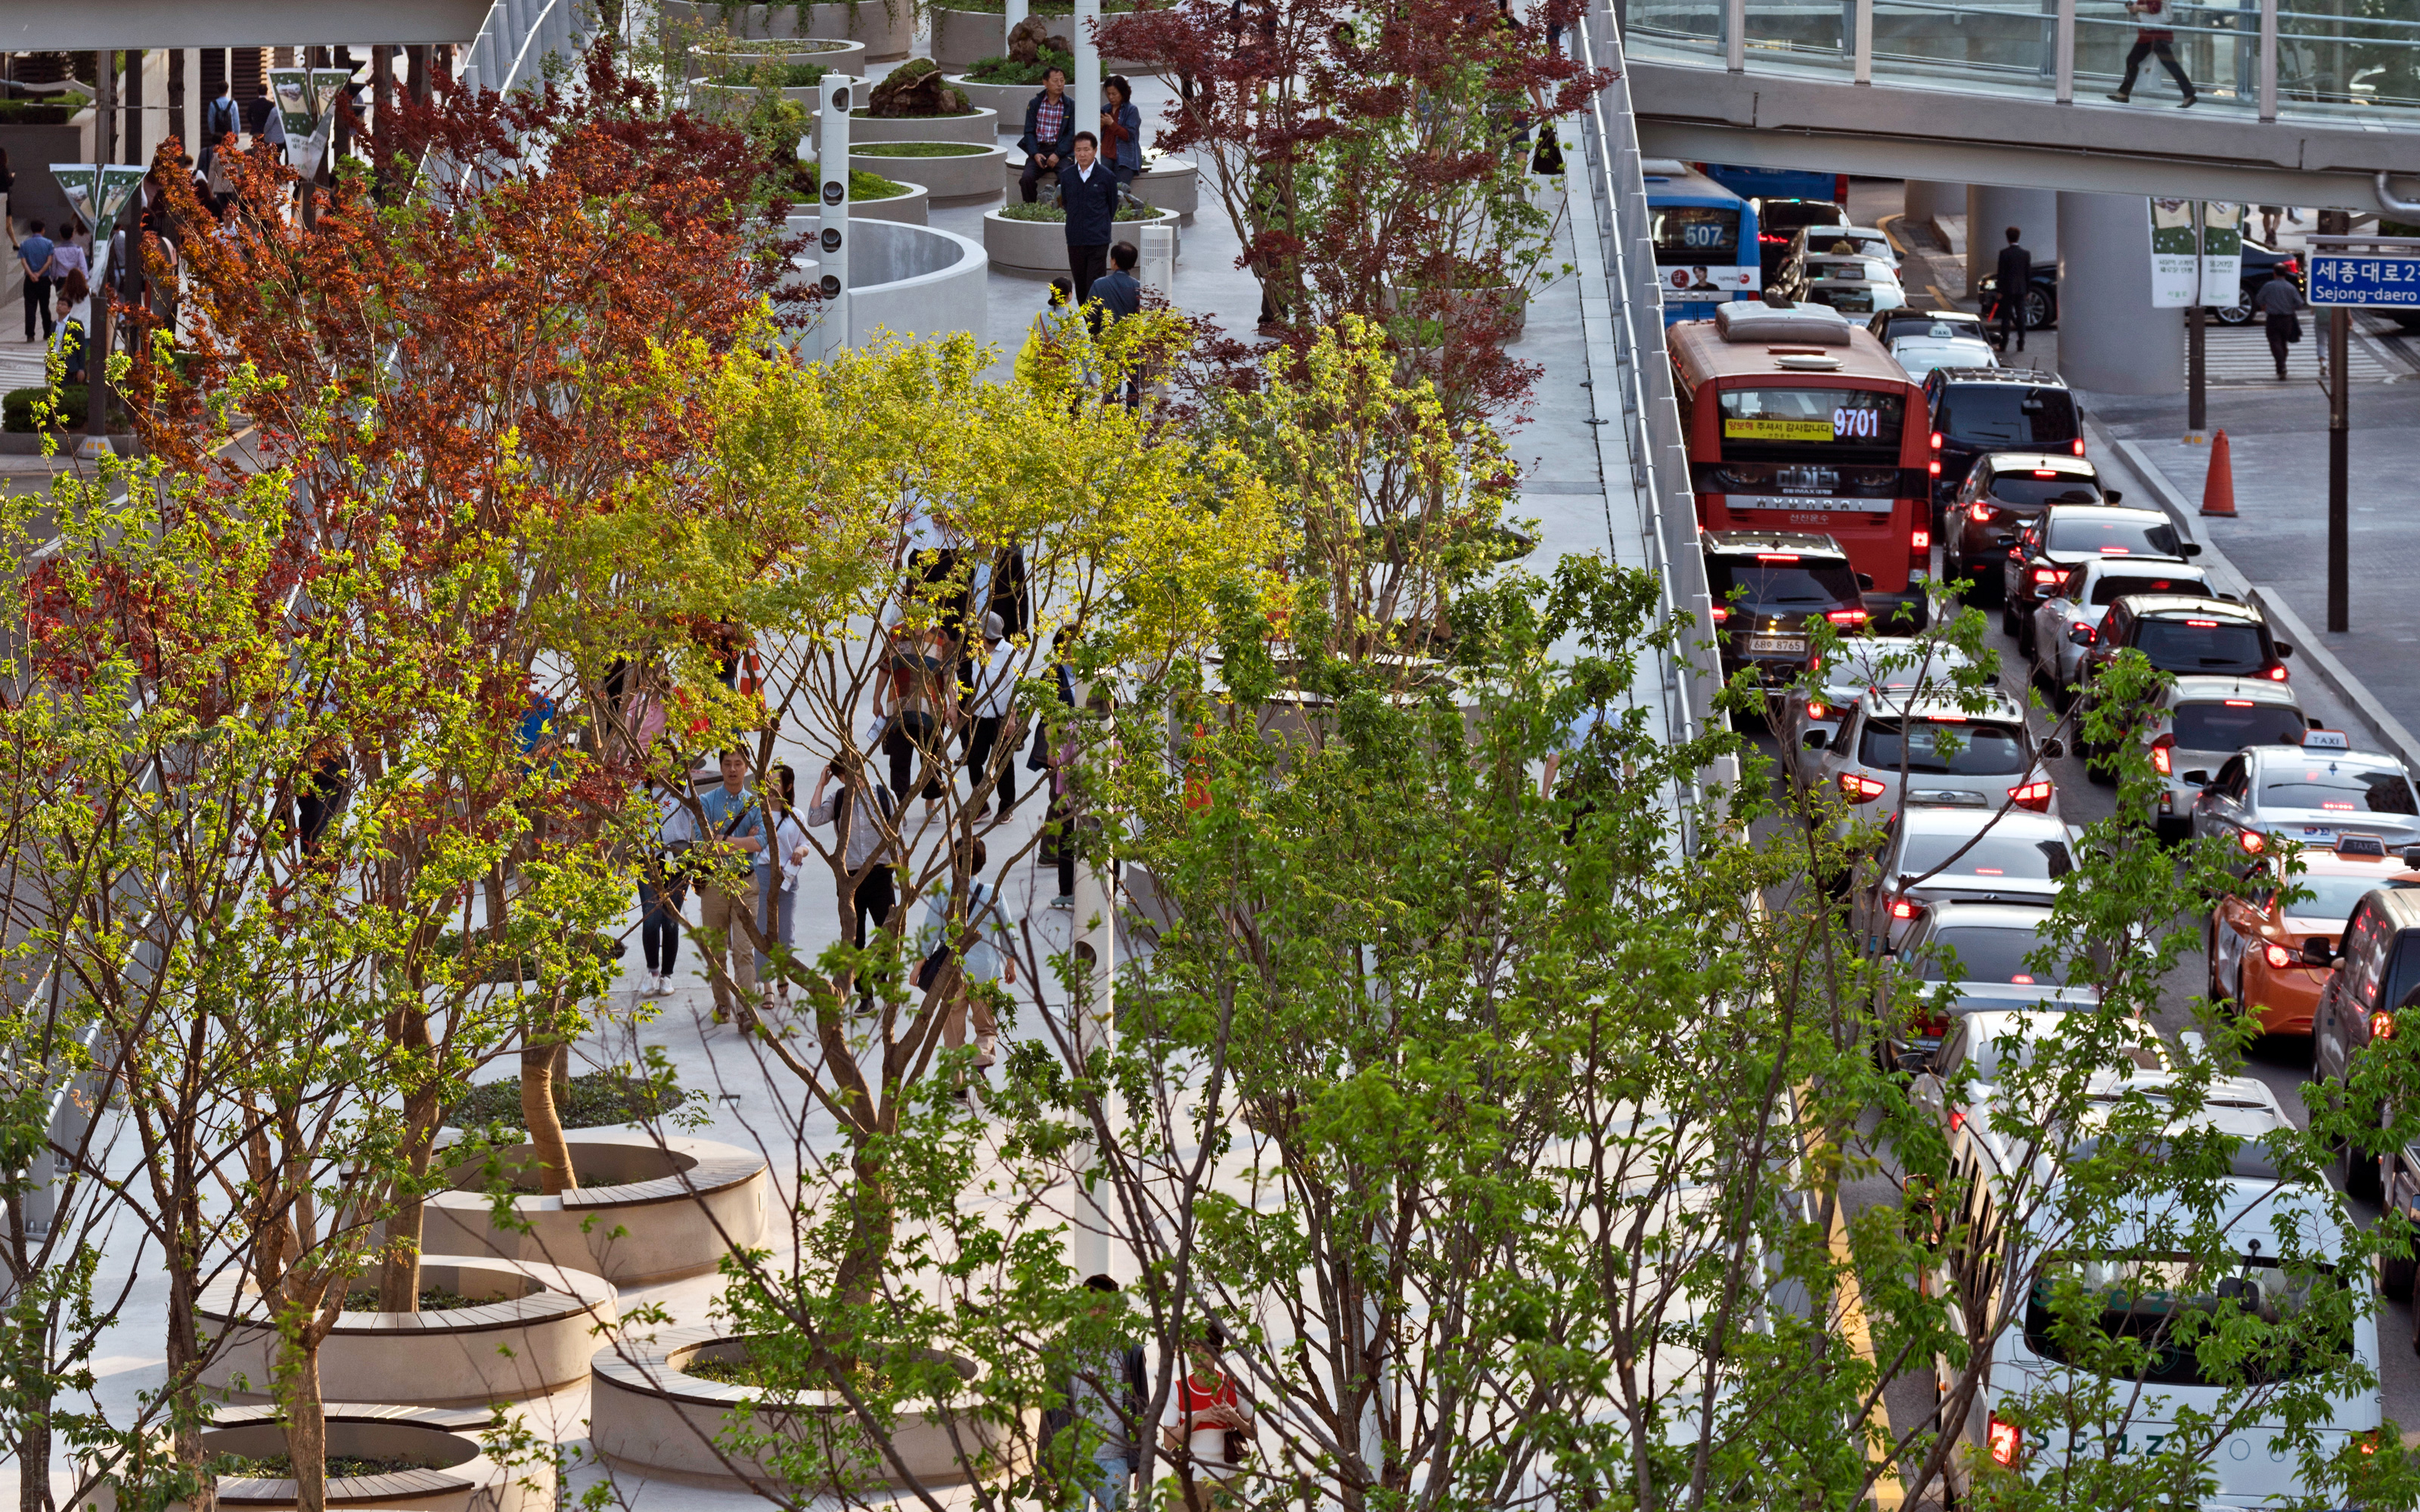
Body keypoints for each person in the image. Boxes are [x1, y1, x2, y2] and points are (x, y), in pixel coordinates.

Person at [808, 751, 901, 1015]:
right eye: (846, 773)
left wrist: (902, 871)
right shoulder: (838, 799)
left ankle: (884, 979)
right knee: (855, 939)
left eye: (856, 768)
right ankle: (865, 996)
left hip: (881, 873)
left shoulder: (884, 795)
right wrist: (820, 784)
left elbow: (899, 834)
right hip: (851, 880)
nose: (854, 776)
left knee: (887, 934)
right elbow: (814, 819)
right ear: (839, 778)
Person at [917, 837, 1014, 1080]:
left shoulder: (943, 895)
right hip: (986, 972)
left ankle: (958, 1085)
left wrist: (917, 968)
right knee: (987, 1028)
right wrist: (1010, 964)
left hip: (952, 975)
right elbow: (1007, 933)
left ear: (953, 862)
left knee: (953, 1032)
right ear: (981, 863)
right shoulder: (994, 894)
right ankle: (979, 1059)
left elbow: (929, 936)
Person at [1055, 1275, 1144, 1512]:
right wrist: (1046, 1463)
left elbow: (1141, 1408)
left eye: (1104, 1308)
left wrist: (1143, 1462)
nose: (1096, 1314)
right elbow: (1050, 1410)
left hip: (1117, 1456)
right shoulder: (1060, 1351)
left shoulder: (1130, 1351)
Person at [696, 749, 766, 1027]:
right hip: (714, 884)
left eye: (738, 764)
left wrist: (723, 839)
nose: (733, 769)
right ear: (721, 767)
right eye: (728, 764)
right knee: (715, 949)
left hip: (746, 883)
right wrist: (740, 841)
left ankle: (746, 1008)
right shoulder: (707, 801)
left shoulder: (755, 804)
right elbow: (704, 844)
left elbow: (761, 842)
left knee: (743, 950)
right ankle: (723, 1002)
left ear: (746, 767)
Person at [1162, 1318, 1252, 1508]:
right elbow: (1169, 1443)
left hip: (1229, 1480)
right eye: (1192, 1352)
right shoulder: (1177, 1390)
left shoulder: (1234, 1385)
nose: (1198, 1358)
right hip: (1186, 1481)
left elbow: (1253, 1432)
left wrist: (1234, 1418)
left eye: (1205, 1351)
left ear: (1219, 1353)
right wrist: (1197, 1419)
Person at [753, 764, 814, 1007]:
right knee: (764, 930)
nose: (770, 787)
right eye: (768, 781)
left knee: (786, 934)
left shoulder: (796, 815)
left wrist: (800, 850)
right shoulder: (758, 812)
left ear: (788, 787)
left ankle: (781, 969)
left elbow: (805, 842)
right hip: (763, 873)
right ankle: (767, 985)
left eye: (776, 782)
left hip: (788, 877)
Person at [877, 624, 956, 811]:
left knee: (931, 759)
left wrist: (953, 704)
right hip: (899, 709)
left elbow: (948, 673)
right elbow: (884, 668)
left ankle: (931, 801)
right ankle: (900, 809)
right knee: (898, 761)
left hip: (931, 709)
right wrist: (876, 699)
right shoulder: (895, 634)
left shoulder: (940, 635)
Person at [640, 770, 695, 997]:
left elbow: (698, 817)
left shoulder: (682, 787)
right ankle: (653, 971)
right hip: (648, 862)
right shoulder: (641, 789)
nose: (663, 765)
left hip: (678, 860)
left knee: (671, 920)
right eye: (657, 759)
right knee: (651, 919)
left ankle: (667, 975)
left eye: (667, 760)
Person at [963, 612, 1022, 815]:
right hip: (980, 717)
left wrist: (1012, 718)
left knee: (1003, 763)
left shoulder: (1008, 652)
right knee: (973, 760)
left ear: (986, 633)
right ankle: (981, 806)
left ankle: (1007, 806)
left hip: (1002, 719)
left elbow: (1016, 687)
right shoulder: (976, 651)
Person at [1060, 132, 1122, 306]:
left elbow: (1112, 206)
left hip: (1098, 239)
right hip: (1075, 239)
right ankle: (1086, 325)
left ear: (1095, 151)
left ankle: (1095, 327)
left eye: (1086, 149)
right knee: (1080, 285)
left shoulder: (1106, 176)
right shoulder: (1067, 176)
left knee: (1095, 285)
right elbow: (1066, 202)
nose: (1082, 154)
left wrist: (1099, 224)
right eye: (1078, 150)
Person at [2107, 0, 2195, 106]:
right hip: (2150, 35)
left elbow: (2155, 8)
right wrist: (2134, 8)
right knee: (2133, 60)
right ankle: (2123, 94)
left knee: (2169, 65)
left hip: (2155, 36)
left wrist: (2136, 8)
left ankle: (2189, 94)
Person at [1019, 67, 1077, 204]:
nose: (1059, 84)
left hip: (1062, 152)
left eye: (1062, 80)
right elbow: (1029, 131)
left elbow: (1072, 133)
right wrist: (1034, 154)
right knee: (1026, 179)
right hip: (1040, 150)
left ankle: (1062, 209)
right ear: (1045, 83)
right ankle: (1031, 208)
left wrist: (1058, 154)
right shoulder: (1035, 103)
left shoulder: (1070, 105)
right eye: (1055, 81)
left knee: (1066, 178)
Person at [2255, 264, 2303, 381]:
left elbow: (2259, 299)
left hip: (2273, 318)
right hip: (2287, 319)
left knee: (2275, 342)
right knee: (2283, 343)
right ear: (2285, 273)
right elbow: (2299, 303)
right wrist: (2291, 307)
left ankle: (2281, 366)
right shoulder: (2290, 287)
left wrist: (2265, 305)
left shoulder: (2269, 286)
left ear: (2274, 273)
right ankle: (2281, 366)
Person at [1100, 76, 1143, 188]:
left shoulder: (1131, 110)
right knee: (1100, 184)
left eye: (1114, 94)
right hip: (1106, 155)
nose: (1111, 97)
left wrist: (1111, 124)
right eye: (1108, 94)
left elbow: (1128, 135)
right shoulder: (1105, 109)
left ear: (1123, 93)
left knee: (1119, 189)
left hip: (1125, 157)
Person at [1993, 226, 2031, 353]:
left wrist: (1999, 290)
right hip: (2021, 289)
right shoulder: (2025, 254)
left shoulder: (2004, 254)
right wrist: (2028, 290)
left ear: (2007, 238)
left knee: (2006, 318)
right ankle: (2021, 343)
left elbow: (2001, 274)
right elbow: (2027, 274)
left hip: (2007, 290)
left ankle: (2003, 345)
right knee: (2021, 317)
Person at [15, 218, 53, 342]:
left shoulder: (25, 244)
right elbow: (49, 261)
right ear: (42, 230)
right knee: (44, 307)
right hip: (43, 279)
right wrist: (40, 273)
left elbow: (23, 261)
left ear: (32, 230)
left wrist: (31, 274)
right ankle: (47, 332)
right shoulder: (48, 243)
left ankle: (30, 334)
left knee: (30, 307)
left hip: (29, 280)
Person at [1091, 241, 1143, 324]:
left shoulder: (1098, 284)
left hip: (1106, 334)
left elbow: (1091, 314)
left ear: (1114, 261)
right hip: (1131, 335)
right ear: (1133, 263)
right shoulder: (1139, 286)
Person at [54, 269, 89, 385]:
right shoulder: (89, 293)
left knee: (69, 359)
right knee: (84, 357)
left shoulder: (65, 295)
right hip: (88, 330)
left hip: (69, 330)